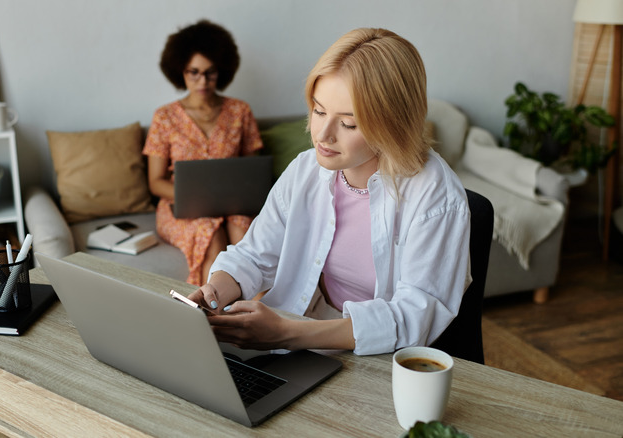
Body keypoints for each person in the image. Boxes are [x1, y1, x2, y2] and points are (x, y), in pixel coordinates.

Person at [189, 28, 471, 356]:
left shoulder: (436, 195)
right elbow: (255, 255)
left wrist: (287, 333)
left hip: (387, 356)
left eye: (348, 124)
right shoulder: (306, 169)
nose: (322, 134)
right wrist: (214, 292)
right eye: (319, 110)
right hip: (312, 328)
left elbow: (412, 318)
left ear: (392, 124)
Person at [143, 19, 263, 286]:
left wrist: (230, 197)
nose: (203, 81)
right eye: (193, 72)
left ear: (221, 70)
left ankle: (259, 315)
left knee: (246, 238)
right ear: (180, 71)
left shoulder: (240, 111)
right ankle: (214, 315)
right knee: (210, 236)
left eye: (210, 72)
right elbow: (155, 182)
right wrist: (198, 198)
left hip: (232, 204)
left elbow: (251, 174)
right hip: (182, 208)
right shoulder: (165, 117)